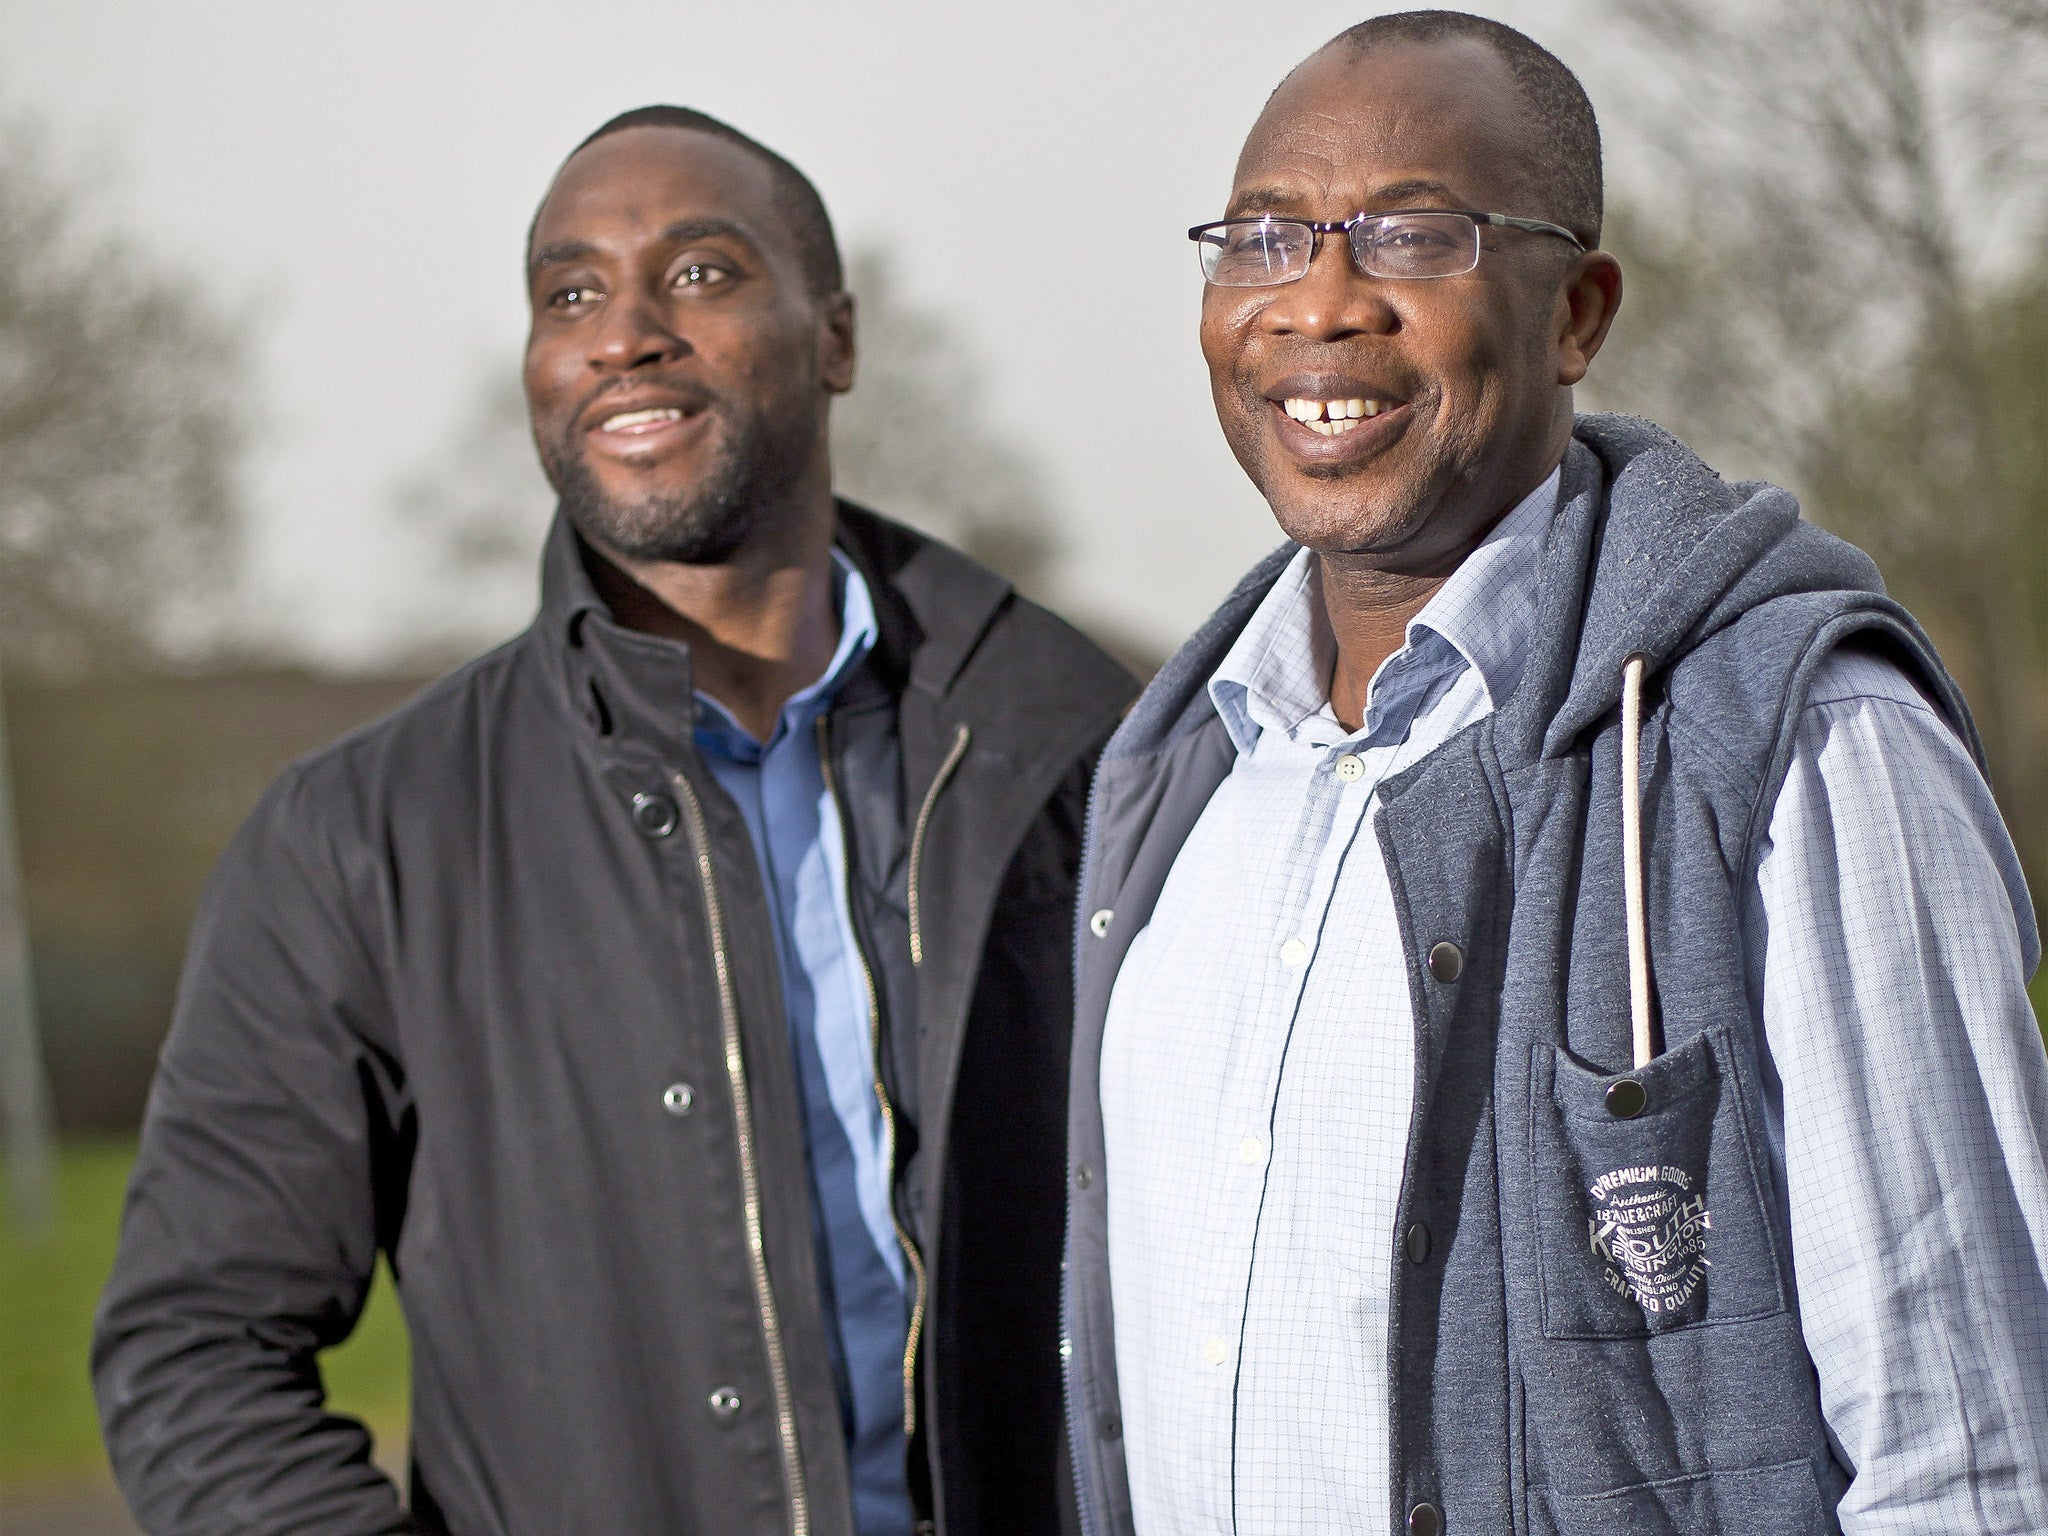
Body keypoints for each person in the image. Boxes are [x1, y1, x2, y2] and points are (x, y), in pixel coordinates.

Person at [1060, 13, 2048, 1534]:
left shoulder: (1801, 739)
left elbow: (1971, 1454)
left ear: (1576, 314)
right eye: (1262, 239)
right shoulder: (1181, 778)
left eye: (1413, 235)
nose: (1320, 302)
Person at [93, 106, 1135, 1536]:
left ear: (835, 338)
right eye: (570, 293)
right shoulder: (358, 838)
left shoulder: (1081, 753)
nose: (625, 335)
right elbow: (195, 1355)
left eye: (700, 273)